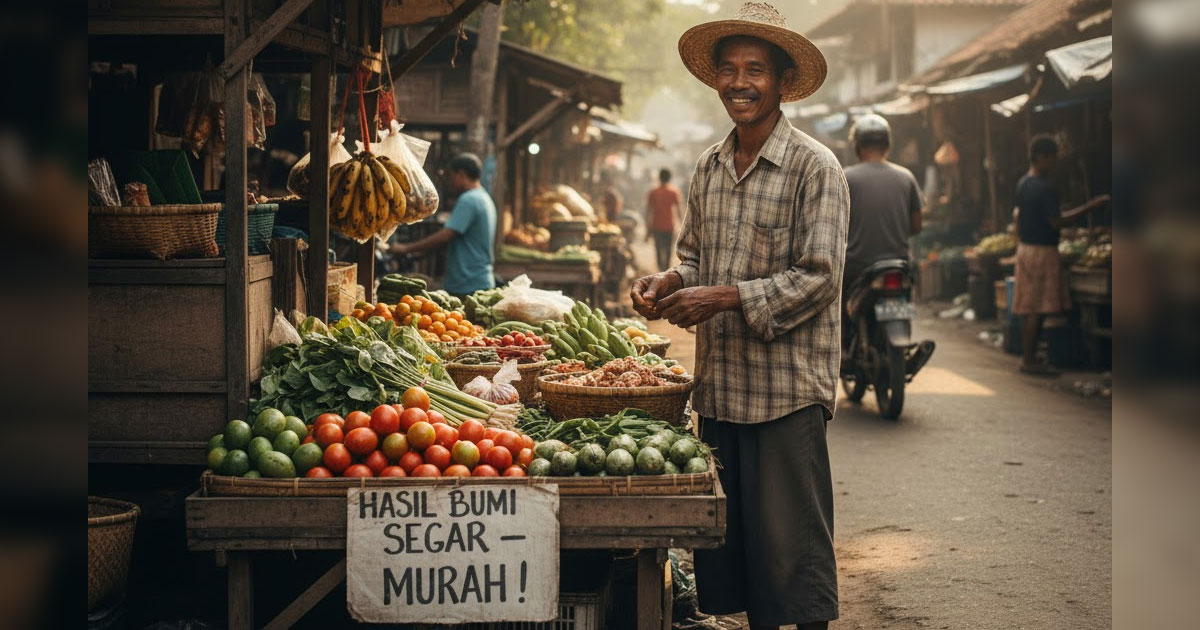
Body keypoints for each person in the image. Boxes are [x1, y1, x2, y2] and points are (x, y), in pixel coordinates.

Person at [631, 4, 847, 628]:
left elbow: (819, 276)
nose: (739, 82)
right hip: (722, 389)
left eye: (755, 69)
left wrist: (723, 297)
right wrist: (670, 280)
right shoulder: (709, 166)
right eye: (728, 69)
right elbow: (697, 258)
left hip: (785, 390)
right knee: (739, 549)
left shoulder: (815, 166)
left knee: (793, 554)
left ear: (782, 81)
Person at [1012, 135, 1109, 375]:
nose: (1054, 163)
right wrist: (1091, 206)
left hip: (1025, 249)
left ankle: (1030, 357)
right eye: (1052, 158)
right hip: (1042, 251)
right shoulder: (1044, 187)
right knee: (1037, 308)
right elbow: (1056, 222)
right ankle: (1029, 360)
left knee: (1032, 307)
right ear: (1041, 157)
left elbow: (1019, 217)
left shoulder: (1024, 182)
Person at [391, 153, 496, 297]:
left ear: (461, 174)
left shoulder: (469, 200)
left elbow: (446, 235)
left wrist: (405, 248)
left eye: (452, 177)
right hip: (479, 279)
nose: (451, 182)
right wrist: (420, 252)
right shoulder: (483, 197)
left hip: (467, 283)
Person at [841, 114, 924, 290]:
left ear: (857, 146)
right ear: (887, 145)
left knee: (844, 313)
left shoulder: (846, 177)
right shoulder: (906, 177)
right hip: (899, 266)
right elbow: (916, 226)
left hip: (858, 268)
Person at [645, 168, 684, 271]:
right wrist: (683, 226)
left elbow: (648, 211)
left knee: (658, 249)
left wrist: (647, 228)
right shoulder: (674, 192)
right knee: (667, 250)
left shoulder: (653, 192)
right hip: (669, 226)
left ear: (659, 178)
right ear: (670, 178)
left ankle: (660, 269)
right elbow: (679, 211)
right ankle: (665, 270)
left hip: (656, 225)